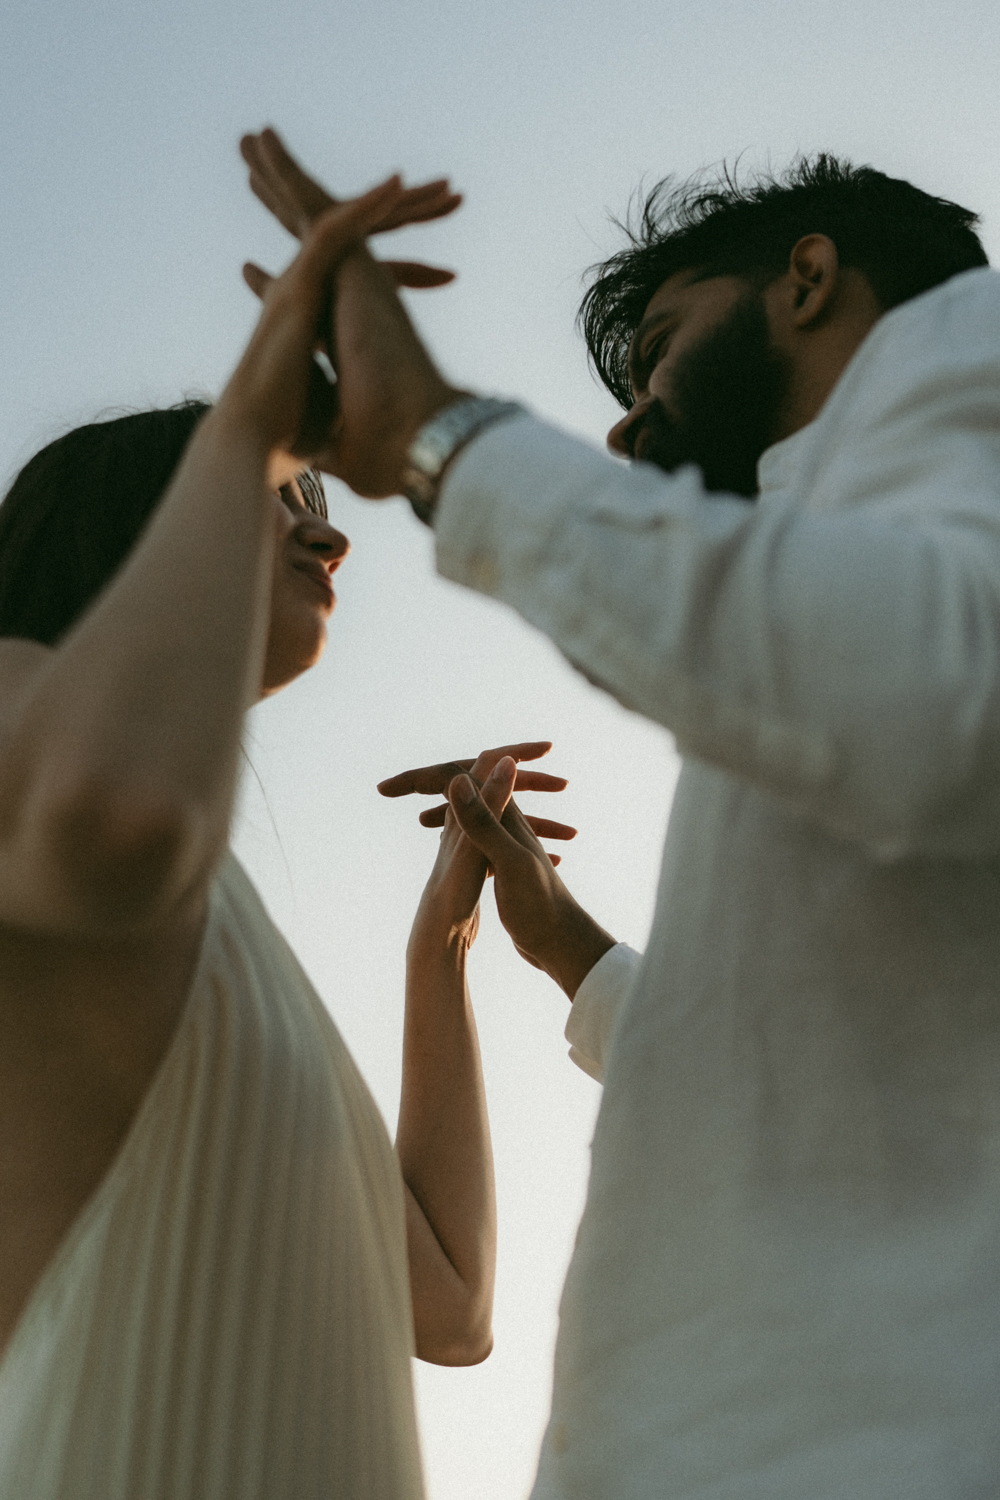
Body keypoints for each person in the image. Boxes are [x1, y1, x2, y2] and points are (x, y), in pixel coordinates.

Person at [240, 131, 1000, 1498]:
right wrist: (565, 949)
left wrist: (442, 436)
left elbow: (933, 692)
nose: (630, 418)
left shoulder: (970, 360)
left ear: (809, 278)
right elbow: (828, 1053)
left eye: (658, 347)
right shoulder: (845, 543)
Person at [0, 180, 574, 1499]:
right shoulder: (27, 715)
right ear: (144, 524)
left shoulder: (218, 920)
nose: (329, 527)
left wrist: (443, 943)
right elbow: (111, 817)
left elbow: (448, 1301)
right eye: (280, 490)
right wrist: (253, 405)